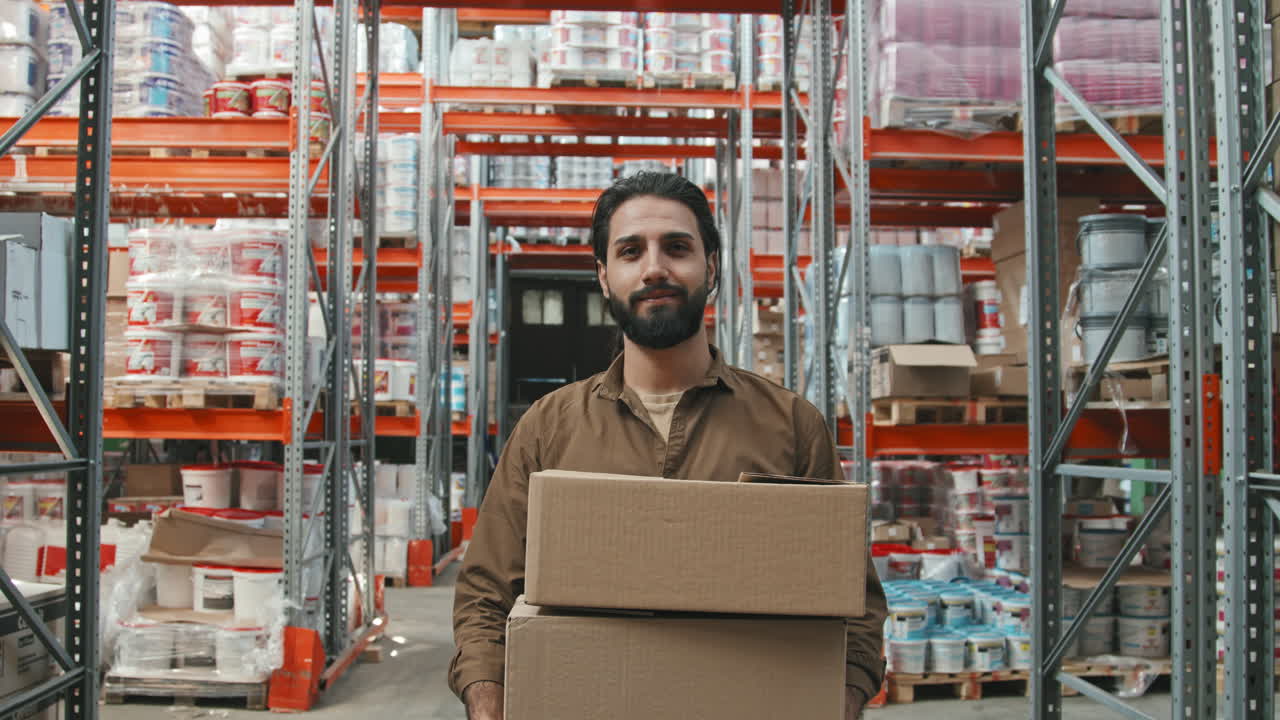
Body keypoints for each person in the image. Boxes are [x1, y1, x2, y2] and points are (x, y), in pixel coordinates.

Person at [449, 171, 887, 720]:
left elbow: (854, 600)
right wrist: (488, 703)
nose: (655, 267)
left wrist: (839, 699)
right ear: (605, 278)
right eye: (631, 251)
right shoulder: (547, 430)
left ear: (713, 266)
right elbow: (486, 595)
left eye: (676, 247)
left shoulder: (791, 426)